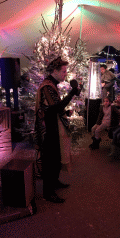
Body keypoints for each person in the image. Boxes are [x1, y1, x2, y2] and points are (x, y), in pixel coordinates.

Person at [34, 57, 81, 203]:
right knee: (50, 160)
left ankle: (54, 182)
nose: (65, 74)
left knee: (55, 157)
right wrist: (73, 92)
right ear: (54, 71)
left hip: (52, 124)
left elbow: (53, 109)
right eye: (63, 71)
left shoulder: (52, 84)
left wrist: (64, 113)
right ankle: (48, 192)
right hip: (47, 129)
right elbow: (56, 107)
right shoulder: (47, 86)